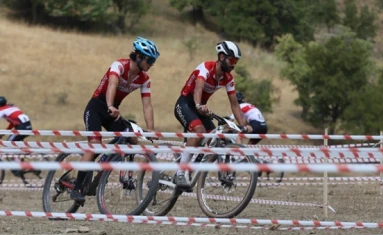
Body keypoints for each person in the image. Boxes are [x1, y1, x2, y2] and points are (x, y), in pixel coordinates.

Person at [70, 37, 160, 202]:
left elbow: (147, 105)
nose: (152, 64)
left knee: (132, 137)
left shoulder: (144, 79)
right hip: (97, 108)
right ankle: (76, 188)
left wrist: (151, 129)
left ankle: (101, 172)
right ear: (139, 57)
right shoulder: (119, 66)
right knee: (95, 145)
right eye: (150, 60)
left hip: (113, 112)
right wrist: (110, 105)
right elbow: (112, 85)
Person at [174, 41, 249, 189]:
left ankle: (192, 169)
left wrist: (243, 126)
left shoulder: (228, 78)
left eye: (236, 61)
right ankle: (180, 173)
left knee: (212, 140)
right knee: (199, 131)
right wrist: (198, 105)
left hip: (201, 109)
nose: (234, 65)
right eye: (232, 60)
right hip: (186, 104)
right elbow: (198, 89)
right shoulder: (206, 67)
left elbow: (234, 104)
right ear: (221, 56)